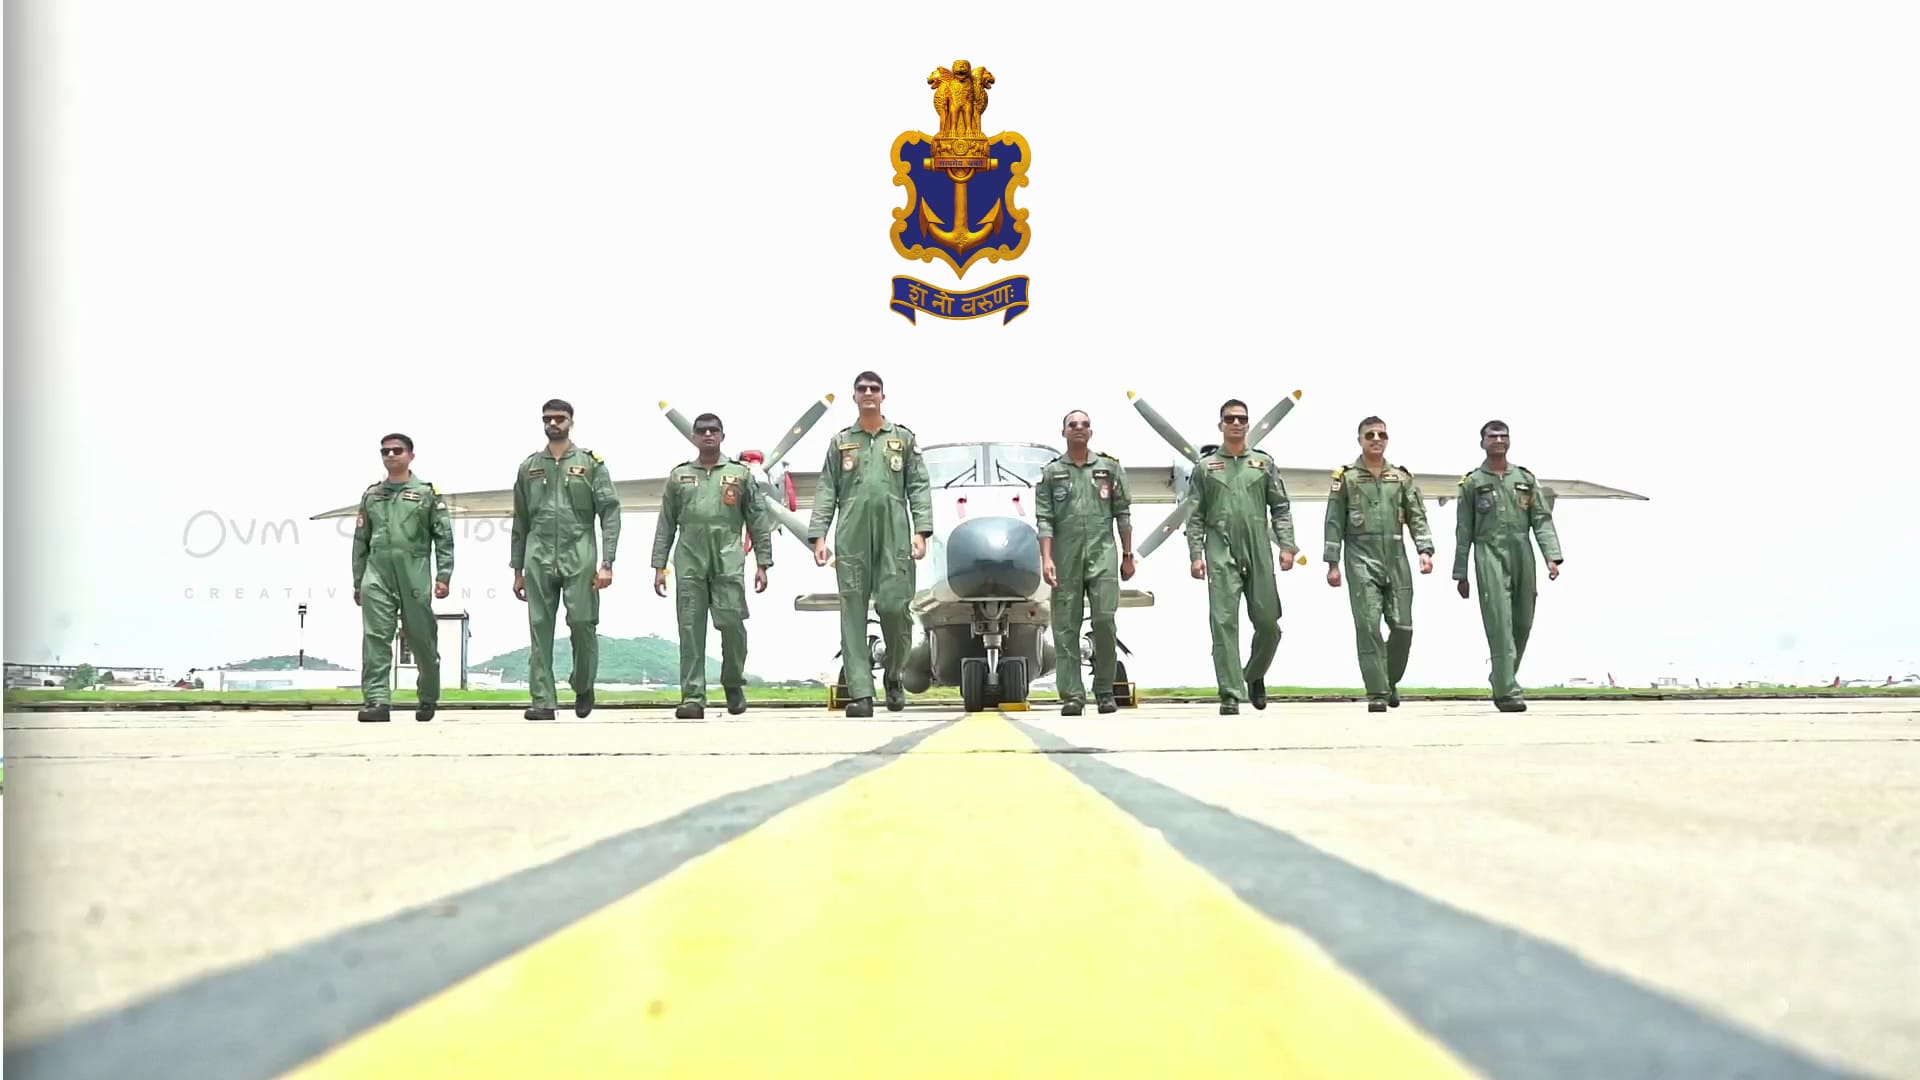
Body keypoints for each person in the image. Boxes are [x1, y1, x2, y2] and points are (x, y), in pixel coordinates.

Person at [806, 370, 932, 717]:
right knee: (853, 611)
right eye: (862, 389)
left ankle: (894, 673)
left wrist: (921, 531)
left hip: (894, 529)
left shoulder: (903, 439)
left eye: (874, 388)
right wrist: (819, 535)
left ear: (883, 396)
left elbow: (918, 486)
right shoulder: (841, 441)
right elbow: (827, 488)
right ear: (855, 397)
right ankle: (861, 693)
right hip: (851, 530)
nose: (868, 393)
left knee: (895, 607)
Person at [650, 412, 774, 719]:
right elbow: (666, 523)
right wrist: (659, 566)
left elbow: (757, 519)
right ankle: (692, 696)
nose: (708, 435)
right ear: (694, 437)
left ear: (722, 436)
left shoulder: (740, 475)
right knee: (690, 628)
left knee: (732, 623)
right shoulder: (679, 476)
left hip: (728, 557)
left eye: (713, 430)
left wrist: (763, 562)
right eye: (702, 431)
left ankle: (733, 682)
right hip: (689, 559)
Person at [510, 398, 622, 721]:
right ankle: (543, 700)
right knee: (539, 628)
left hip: (580, 553)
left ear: (571, 421)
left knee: (583, 623)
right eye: (547, 418)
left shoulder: (590, 464)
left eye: (559, 418)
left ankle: (584, 684)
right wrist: (517, 569)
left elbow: (610, 513)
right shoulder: (529, 467)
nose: (553, 423)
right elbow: (520, 522)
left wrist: (607, 562)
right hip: (538, 555)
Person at [1185, 398, 1299, 714]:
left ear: (1248, 424)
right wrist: (1196, 554)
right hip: (1220, 548)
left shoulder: (1263, 464)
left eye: (1241, 419)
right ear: (1220, 425)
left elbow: (1280, 506)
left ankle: (1254, 674)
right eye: (1229, 418)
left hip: (1258, 547)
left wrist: (1287, 545)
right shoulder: (1205, 468)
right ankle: (1230, 694)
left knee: (1268, 622)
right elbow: (1194, 514)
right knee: (1223, 622)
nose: (1236, 423)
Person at [1324, 416, 1434, 712]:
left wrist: (1425, 550)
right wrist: (1332, 562)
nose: (1376, 439)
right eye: (1369, 434)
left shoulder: (1400, 478)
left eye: (1381, 434)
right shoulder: (1345, 478)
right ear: (1359, 440)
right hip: (1360, 556)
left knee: (1403, 627)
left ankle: (1388, 680)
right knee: (1368, 624)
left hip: (1396, 556)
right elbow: (1334, 520)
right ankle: (1377, 692)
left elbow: (1417, 515)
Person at [1453, 419, 1563, 712]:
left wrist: (1551, 556)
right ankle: (1507, 691)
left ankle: (1502, 674)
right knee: (1499, 621)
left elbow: (1541, 518)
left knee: (1523, 620)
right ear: (1483, 442)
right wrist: (1460, 572)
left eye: (1503, 435)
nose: (1498, 440)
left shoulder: (1525, 479)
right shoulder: (1473, 483)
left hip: (1521, 550)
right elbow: (1464, 528)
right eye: (1492, 436)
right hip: (1488, 551)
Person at [1036, 409, 1134, 715]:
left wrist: (1128, 556)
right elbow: (1045, 520)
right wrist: (1047, 559)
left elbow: (1123, 514)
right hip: (1065, 556)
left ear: (1091, 432)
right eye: (1073, 425)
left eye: (1085, 425)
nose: (1079, 428)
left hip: (1102, 552)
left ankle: (1104, 690)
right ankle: (1072, 695)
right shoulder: (1051, 473)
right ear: (1063, 432)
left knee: (1104, 619)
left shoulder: (1109, 468)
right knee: (1066, 627)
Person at [352, 433, 453, 723]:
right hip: (377, 573)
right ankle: (377, 700)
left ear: (410, 455)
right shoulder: (372, 495)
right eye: (385, 451)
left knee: (421, 639)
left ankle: (428, 697)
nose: (391, 455)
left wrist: (444, 575)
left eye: (397, 450)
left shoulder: (426, 493)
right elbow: (361, 541)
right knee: (375, 638)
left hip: (414, 571)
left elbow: (443, 537)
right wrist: (358, 581)